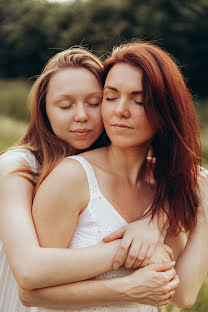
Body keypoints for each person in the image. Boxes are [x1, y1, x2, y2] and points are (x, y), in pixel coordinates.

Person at [29, 40, 202, 311]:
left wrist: (204, 217)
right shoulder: (72, 178)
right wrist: (127, 288)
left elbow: (183, 295)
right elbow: (33, 292)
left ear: (166, 112)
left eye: (139, 100)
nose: (120, 110)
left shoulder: (163, 185)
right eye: (110, 97)